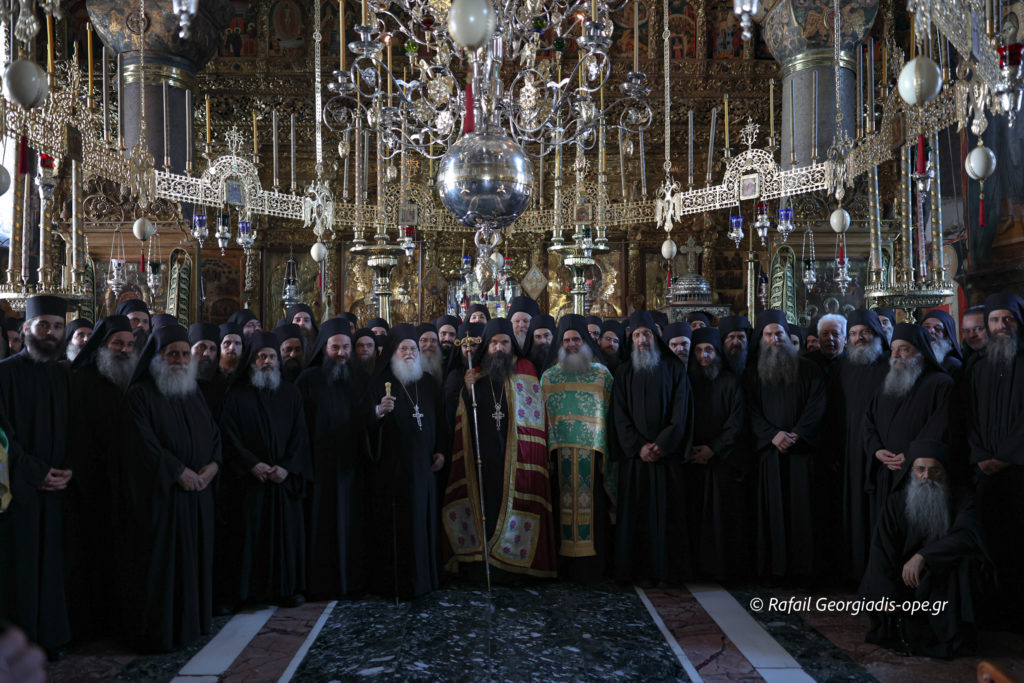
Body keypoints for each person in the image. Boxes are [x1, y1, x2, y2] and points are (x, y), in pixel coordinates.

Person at [122, 324, 221, 652]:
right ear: (158, 357)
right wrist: (177, 471)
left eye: (183, 353)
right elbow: (141, 444)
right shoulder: (140, 395)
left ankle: (193, 625)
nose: (179, 360)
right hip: (164, 499)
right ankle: (164, 633)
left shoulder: (192, 391)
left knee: (196, 563)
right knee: (165, 569)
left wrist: (213, 466)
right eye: (172, 354)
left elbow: (214, 434)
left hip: (198, 496)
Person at [442, 318, 556, 581]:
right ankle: (484, 563)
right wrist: (467, 389)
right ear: (487, 346)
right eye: (494, 343)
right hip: (484, 458)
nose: (499, 348)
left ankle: (513, 567)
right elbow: (464, 417)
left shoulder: (526, 369)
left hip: (516, 458)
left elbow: (536, 419)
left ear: (512, 345)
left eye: (504, 342)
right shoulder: (475, 372)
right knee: (486, 505)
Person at [859, 440, 988, 658]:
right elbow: (882, 547)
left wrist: (923, 557)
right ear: (912, 471)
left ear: (944, 472)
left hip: (942, 576)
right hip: (905, 581)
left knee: (966, 563)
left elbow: (967, 536)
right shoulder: (896, 502)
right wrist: (886, 595)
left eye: (933, 470)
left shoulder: (962, 498)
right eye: (920, 469)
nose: (926, 476)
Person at [0, 296, 72, 660]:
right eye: (44, 325)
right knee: (23, 567)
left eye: (58, 326)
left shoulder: (64, 374)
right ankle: (22, 643)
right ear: (26, 328)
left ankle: (52, 637)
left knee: (54, 565)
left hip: (59, 488)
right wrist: (35, 472)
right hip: (22, 490)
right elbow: (3, 434)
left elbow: (79, 429)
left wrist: (67, 469)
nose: (51, 332)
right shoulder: (5, 373)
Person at [220, 332, 311, 608]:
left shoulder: (291, 393)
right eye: (262, 357)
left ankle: (286, 590)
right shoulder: (236, 395)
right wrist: (251, 464)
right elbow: (228, 435)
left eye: (272, 356)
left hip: (282, 480)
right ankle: (250, 594)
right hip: (252, 482)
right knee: (251, 539)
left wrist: (287, 467)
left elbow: (300, 436)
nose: (268, 361)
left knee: (286, 538)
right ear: (252, 361)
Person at [65, 316, 136, 638]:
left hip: (125, 483)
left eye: (130, 345)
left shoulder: (130, 381)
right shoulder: (79, 379)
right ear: (102, 346)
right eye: (117, 343)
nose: (124, 350)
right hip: (89, 485)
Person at [612, 311, 693, 585]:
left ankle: (667, 572)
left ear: (655, 337)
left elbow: (681, 413)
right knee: (636, 519)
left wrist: (662, 444)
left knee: (669, 519)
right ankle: (637, 572)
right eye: (636, 335)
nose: (642, 339)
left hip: (666, 459)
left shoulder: (674, 369)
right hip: (636, 461)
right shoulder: (623, 373)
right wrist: (638, 447)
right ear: (631, 340)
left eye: (646, 334)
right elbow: (619, 415)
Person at [366, 325, 445, 599]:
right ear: (392, 353)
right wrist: (377, 412)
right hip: (393, 471)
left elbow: (442, 422)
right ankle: (396, 583)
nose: (410, 353)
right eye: (404, 349)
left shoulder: (428, 382)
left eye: (413, 349)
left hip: (424, 468)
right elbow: (363, 427)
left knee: (423, 525)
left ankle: (425, 580)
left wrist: (441, 451)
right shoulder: (379, 382)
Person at [747, 310, 827, 578]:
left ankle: (803, 573)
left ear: (787, 335)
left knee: (802, 514)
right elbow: (749, 410)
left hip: (801, 453)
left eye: (779, 333)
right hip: (769, 453)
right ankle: (774, 572)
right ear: (761, 338)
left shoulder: (809, 369)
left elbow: (817, 405)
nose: (774, 339)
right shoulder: (752, 372)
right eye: (768, 334)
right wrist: (772, 434)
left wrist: (797, 434)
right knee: (772, 515)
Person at [296, 319, 370, 599]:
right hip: (319, 471)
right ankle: (321, 583)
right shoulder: (308, 380)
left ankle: (354, 583)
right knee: (321, 527)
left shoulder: (361, 380)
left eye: (346, 347)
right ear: (324, 347)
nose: (341, 353)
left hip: (352, 470)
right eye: (335, 347)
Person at [540, 315, 615, 581]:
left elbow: (611, 416)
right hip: (559, 457)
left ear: (585, 342)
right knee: (561, 508)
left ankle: (593, 569)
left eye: (576, 339)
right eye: (567, 340)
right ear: (560, 344)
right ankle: (564, 568)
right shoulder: (548, 378)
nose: (572, 344)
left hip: (594, 455)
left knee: (594, 510)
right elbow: (542, 420)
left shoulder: (602, 375)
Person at [966, 293, 1024, 628]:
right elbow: (968, 419)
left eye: (1008, 319)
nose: (1001, 326)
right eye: (995, 320)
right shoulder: (978, 369)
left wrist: (1003, 457)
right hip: (984, 474)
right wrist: (980, 456)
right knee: (990, 543)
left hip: (1018, 472)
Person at [863, 323, 952, 535]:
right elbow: (868, 421)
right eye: (893, 349)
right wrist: (876, 450)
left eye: (904, 349)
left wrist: (912, 456)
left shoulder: (941, 384)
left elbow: (939, 427)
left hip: (917, 474)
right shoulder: (888, 384)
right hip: (887, 471)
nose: (896, 355)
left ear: (921, 352)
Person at [687, 327, 749, 579]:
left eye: (709, 350)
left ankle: (721, 569)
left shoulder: (730, 381)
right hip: (691, 459)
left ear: (717, 353)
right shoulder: (687, 380)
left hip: (721, 459)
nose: (704, 356)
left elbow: (736, 422)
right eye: (699, 351)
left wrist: (713, 449)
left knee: (722, 517)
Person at [834, 309, 890, 582]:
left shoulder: (890, 365)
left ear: (876, 334)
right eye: (854, 334)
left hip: (879, 451)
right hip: (849, 450)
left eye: (864, 333)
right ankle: (855, 572)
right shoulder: (842, 367)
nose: (859, 338)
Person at [922, 309, 963, 374]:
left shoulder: (953, 364)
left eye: (938, 328)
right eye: (927, 327)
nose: (931, 331)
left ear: (947, 335)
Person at [806, 313, 846, 377]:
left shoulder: (855, 364)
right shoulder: (806, 363)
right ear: (819, 338)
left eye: (835, 334)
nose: (830, 338)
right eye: (825, 334)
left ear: (845, 339)